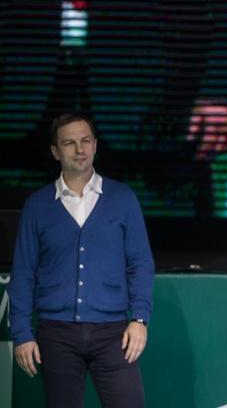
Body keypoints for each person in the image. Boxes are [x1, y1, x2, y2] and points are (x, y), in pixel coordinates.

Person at [7, 112, 155, 407]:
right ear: (55, 151)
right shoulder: (37, 206)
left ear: (95, 145)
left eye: (86, 141)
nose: (79, 149)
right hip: (56, 333)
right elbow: (23, 273)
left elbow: (140, 263)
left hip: (113, 333)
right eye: (69, 143)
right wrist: (22, 333)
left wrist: (140, 319)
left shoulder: (123, 198)